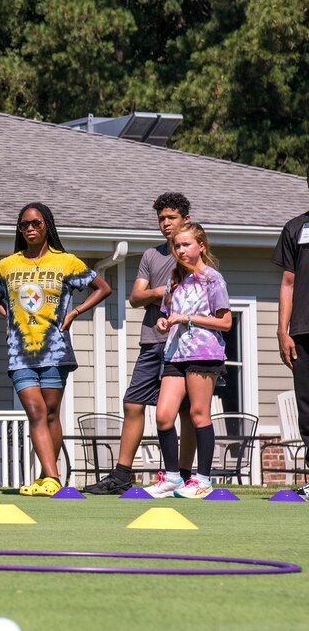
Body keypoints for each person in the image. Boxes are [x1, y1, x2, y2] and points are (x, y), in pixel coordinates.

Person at [0, 202, 111, 496]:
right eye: (25, 224)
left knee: (51, 414)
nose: (30, 229)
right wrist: (8, 315)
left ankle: (46, 478)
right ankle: (54, 476)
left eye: (36, 223)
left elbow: (102, 288)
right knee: (36, 411)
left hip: (55, 349)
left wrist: (75, 312)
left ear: (47, 226)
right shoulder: (8, 265)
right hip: (19, 352)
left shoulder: (66, 262)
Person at [84, 193, 197, 494]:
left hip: (186, 344)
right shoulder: (151, 255)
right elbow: (135, 297)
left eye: (170, 218)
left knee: (184, 410)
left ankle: (184, 476)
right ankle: (122, 475)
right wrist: (161, 291)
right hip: (152, 340)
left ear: (185, 219)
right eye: (161, 219)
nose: (165, 223)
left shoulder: (195, 254)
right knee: (133, 402)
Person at [145, 223, 231, 499]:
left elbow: (226, 322)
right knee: (163, 415)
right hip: (175, 353)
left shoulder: (213, 279)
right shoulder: (174, 279)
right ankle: (172, 478)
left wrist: (188, 319)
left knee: (198, 414)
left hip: (203, 354)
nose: (180, 250)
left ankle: (203, 479)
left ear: (201, 246)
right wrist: (162, 322)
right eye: (177, 246)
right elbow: (167, 314)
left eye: (186, 245)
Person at [274, 193, 309, 495]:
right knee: (307, 408)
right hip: (303, 332)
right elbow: (288, 282)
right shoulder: (295, 228)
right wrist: (282, 330)